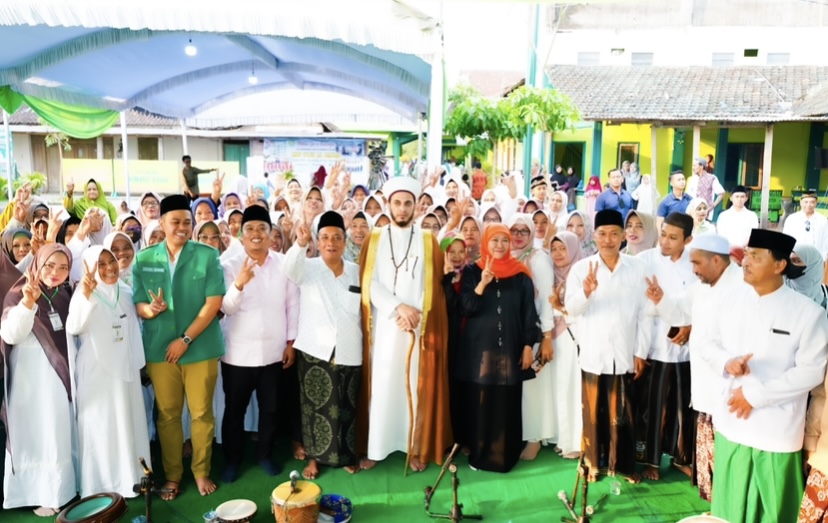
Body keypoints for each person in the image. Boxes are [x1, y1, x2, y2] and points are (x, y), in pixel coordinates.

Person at [701, 229, 828, 523]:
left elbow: (810, 371)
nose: (745, 262)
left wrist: (755, 396)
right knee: (728, 510)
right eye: (746, 254)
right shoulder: (730, 300)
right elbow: (707, 342)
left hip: (776, 430)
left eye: (756, 256)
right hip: (731, 424)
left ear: (779, 265)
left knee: (773, 511)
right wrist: (727, 361)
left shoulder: (808, 313)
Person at [132, 194, 226, 499]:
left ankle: (201, 471)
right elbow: (139, 304)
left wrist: (185, 339)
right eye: (175, 222)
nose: (182, 227)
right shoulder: (144, 259)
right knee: (168, 415)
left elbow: (213, 304)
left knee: (201, 414)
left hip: (199, 347)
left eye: (187, 221)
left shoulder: (207, 255)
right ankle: (172, 475)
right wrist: (151, 310)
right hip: (160, 349)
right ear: (161, 223)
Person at [357, 176, 452, 473]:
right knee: (382, 387)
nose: (402, 209)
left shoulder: (427, 240)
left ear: (416, 206)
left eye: (408, 203)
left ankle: (413, 448)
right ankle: (376, 448)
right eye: (397, 203)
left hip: (417, 327)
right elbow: (367, 281)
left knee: (412, 385)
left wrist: (415, 313)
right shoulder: (374, 239)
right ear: (388, 204)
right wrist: (397, 308)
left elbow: (433, 285)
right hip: (385, 327)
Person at [648, 233, 744, 501]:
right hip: (705, 381)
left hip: (729, 383)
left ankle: (726, 503)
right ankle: (715, 501)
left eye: (697, 263)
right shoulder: (702, 286)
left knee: (725, 447)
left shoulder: (741, 288)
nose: (694, 270)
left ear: (716, 260)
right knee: (707, 439)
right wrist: (660, 299)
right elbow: (679, 309)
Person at [565, 209, 649, 483]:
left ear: (624, 236)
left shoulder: (637, 268)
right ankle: (592, 463)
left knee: (624, 413)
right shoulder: (581, 269)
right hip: (593, 353)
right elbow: (571, 309)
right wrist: (587, 292)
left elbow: (645, 313)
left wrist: (641, 351)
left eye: (614, 233)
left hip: (624, 352)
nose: (608, 239)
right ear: (594, 235)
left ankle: (623, 466)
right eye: (602, 234)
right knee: (592, 413)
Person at [219, 206, 298, 482]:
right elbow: (226, 308)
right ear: (241, 235)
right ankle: (232, 460)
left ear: (270, 234)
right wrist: (239, 284)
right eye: (249, 229)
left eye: (261, 229)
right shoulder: (229, 265)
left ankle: (265, 455)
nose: (255, 234)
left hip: (274, 352)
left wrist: (291, 342)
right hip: (237, 354)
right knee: (234, 411)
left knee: (271, 409)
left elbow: (292, 304)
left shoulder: (283, 263)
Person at [284, 211, 362, 479]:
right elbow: (289, 270)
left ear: (345, 241)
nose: (331, 243)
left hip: (350, 349)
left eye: (337, 237)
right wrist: (300, 243)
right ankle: (315, 459)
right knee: (314, 409)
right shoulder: (308, 267)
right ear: (318, 241)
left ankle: (346, 456)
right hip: (315, 350)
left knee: (347, 407)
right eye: (325, 237)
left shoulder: (357, 272)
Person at [456, 224, 539, 472]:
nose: (500, 245)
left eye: (505, 240)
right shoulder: (473, 270)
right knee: (481, 402)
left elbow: (528, 312)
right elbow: (466, 308)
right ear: (486, 242)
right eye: (495, 240)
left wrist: (527, 345)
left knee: (507, 402)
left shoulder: (521, 274)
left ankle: (506, 456)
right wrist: (482, 284)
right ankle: (480, 456)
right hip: (479, 350)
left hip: (511, 348)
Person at [68, 246, 150, 498]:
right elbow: (74, 327)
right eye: (100, 264)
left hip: (125, 369)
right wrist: (85, 295)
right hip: (97, 372)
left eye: (111, 261)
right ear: (89, 267)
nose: (109, 268)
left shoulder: (125, 291)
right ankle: (101, 484)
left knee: (127, 420)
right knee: (100, 424)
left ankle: (131, 479)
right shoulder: (84, 292)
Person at [1, 245, 75, 516]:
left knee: (56, 431)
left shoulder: (65, 294)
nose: (55, 272)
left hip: (59, 377)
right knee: (35, 434)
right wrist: (28, 303)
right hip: (30, 377)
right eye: (49, 265)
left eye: (63, 267)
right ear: (38, 264)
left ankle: (60, 490)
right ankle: (35, 493)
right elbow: (10, 335)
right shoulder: (19, 292)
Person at [637, 212, 698, 481]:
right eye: (663, 234)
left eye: (673, 238)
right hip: (655, 347)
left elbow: (700, 302)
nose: (665, 241)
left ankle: (680, 458)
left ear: (688, 239)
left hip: (685, 348)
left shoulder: (694, 264)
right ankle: (651, 461)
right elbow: (640, 308)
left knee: (684, 407)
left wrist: (690, 325)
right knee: (654, 406)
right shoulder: (644, 261)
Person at [547, 231, 584, 459]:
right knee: (560, 387)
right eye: (554, 249)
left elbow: (582, 310)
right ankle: (564, 438)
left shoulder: (581, 274)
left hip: (574, 337)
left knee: (574, 388)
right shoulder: (551, 275)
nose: (558, 254)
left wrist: (560, 307)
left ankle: (578, 442)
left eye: (563, 248)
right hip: (555, 338)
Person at [784, 191, 828, 259]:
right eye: (806, 202)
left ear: (816, 203)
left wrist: (824, 261)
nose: (809, 205)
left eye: (812, 202)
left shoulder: (823, 220)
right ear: (801, 203)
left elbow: (826, 243)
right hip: (795, 257)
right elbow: (786, 240)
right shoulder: (791, 219)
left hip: (816, 259)